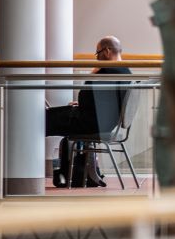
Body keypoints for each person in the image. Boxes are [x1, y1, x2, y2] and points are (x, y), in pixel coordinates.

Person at [46, 36, 132, 187]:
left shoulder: (106, 71)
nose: (97, 57)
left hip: (92, 122)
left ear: (106, 51)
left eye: (97, 53)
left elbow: (85, 94)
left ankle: (24, 173)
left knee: (43, 119)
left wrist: (93, 74)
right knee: (55, 114)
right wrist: (81, 104)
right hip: (103, 122)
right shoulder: (125, 70)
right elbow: (101, 100)